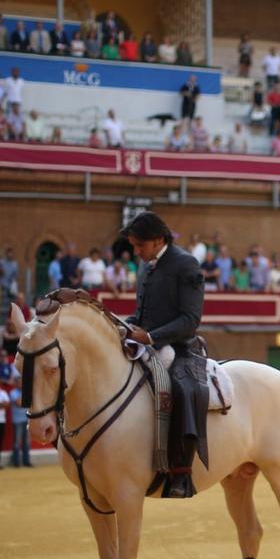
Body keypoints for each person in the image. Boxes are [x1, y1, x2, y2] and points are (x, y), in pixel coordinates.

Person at [121, 211, 205, 498]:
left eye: (139, 245)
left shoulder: (186, 264)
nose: (136, 251)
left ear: (158, 240)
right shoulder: (146, 267)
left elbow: (190, 319)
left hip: (179, 347)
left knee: (180, 389)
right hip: (146, 343)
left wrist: (152, 336)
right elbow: (143, 313)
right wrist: (125, 323)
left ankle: (181, 472)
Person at [9, 375, 32, 467]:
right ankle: (16, 462)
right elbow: (19, 403)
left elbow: (30, 403)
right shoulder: (13, 393)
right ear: (15, 383)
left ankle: (26, 461)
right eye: (18, 382)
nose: (20, 384)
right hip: (17, 420)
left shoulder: (26, 392)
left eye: (21, 382)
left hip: (27, 419)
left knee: (27, 442)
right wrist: (25, 394)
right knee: (17, 442)